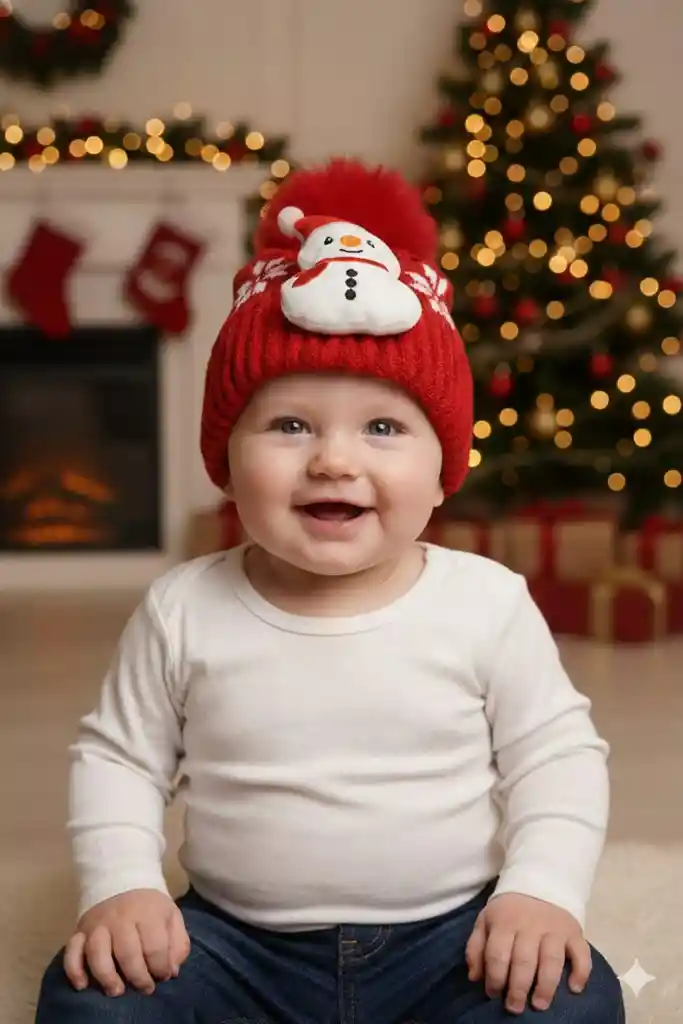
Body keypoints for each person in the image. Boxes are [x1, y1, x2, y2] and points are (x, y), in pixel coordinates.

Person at [36, 159, 625, 1022]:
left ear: (442, 471)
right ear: (226, 462)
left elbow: (557, 759)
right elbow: (120, 761)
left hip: (449, 943)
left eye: (383, 427)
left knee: (573, 997)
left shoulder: (485, 604)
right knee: (94, 995)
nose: (334, 460)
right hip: (233, 945)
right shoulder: (182, 608)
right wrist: (123, 887)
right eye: (289, 425)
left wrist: (539, 892)